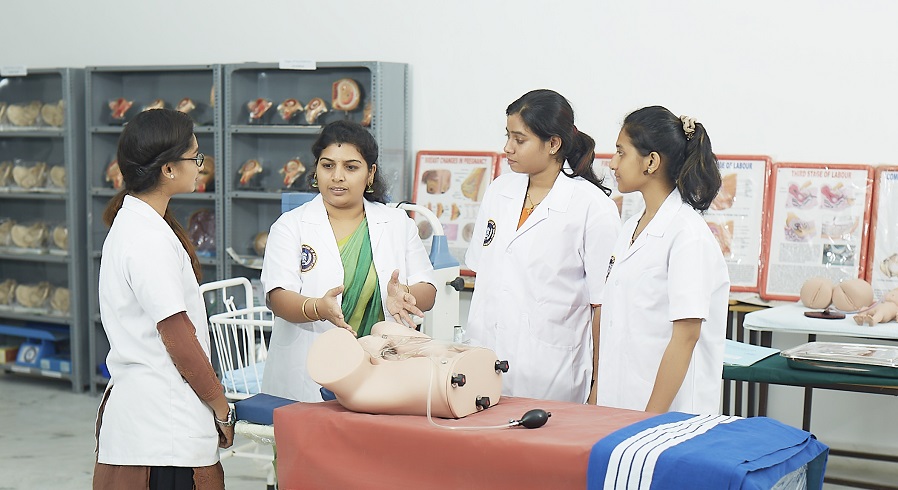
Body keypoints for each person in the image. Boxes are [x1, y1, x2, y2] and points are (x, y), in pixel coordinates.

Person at [94, 109, 233, 490]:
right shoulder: (147, 239)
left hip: (145, 425)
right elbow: (178, 336)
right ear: (169, 169)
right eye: (195, 158)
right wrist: (221, 408)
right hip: (161, 434)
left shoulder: (139, 224)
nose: (200, 167)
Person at [261, 120, 437, 402]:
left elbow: (427, 289)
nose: (337, 176)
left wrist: (405, 294)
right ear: (316, 170)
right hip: (308, 374)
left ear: (370, 173)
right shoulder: (291, 226)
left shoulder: (395, 223)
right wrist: (317, 307)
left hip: (379, 369)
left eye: (351, 167)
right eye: (327, 165)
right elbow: (277, 297)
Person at [464, 89, 621, 403]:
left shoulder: (591, 206)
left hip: (552, 372)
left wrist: (599, 386)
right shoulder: (500, 190)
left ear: (553, 144)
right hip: (484, 362)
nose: (507, 148)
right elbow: (486, 274)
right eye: (507, 136)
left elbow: (603, 304)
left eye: (519, 140)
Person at [598, 105, 729, 414]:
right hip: (620, 404)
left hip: (666, 416)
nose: (612, 163)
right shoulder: (632, 226)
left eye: (621, 153)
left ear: (651, 162)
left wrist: (650, 418)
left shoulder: (687, 235)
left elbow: (686, 336)